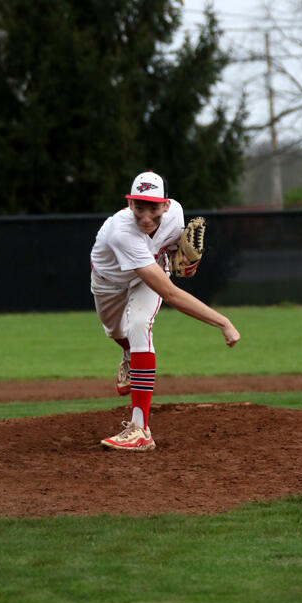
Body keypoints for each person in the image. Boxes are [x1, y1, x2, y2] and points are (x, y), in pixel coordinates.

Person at [90, 170, 240, 451]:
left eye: (153, 208)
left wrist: (184, 263)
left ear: (166, 205)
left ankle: (139, 429)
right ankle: (128, 354)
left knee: (138, 326)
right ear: (129, 204)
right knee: (115, 331)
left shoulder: (176, 216)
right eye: (139, 207)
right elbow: (171, 293)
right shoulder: (121, 231)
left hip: (148, 275)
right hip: (108, 282)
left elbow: (172, 255)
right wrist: (223, 322)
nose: (146, 216)